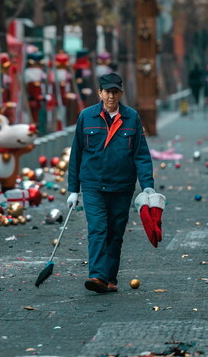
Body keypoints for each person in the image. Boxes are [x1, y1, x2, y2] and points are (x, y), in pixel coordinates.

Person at [67, 72, 155, 294]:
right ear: (100, 93)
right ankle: (97, 275)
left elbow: (141, 155)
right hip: (93, 185)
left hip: (122, 186)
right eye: (107, 92)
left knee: (115, 233)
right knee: (97, 228)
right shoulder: (86, 117)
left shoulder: (132, 118)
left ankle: (110, 278)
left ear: (121, 93)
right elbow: (76, 154)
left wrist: (148, 186)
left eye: (115, 92)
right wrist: (72, 190)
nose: (111, 97)